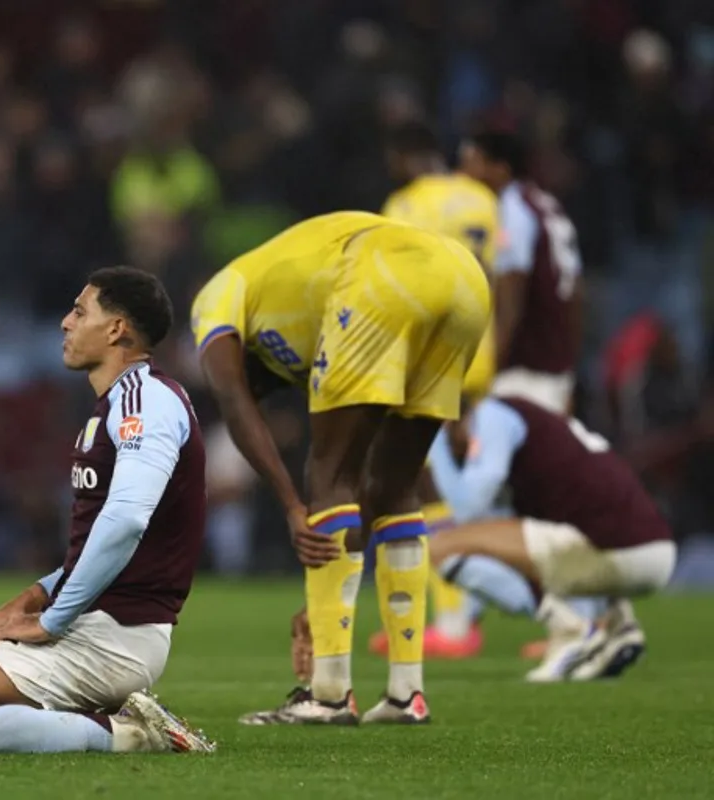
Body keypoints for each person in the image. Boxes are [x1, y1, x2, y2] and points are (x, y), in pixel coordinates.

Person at [0, 267, 214, 754]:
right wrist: (31, 598)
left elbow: (127, 521)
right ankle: (114, 722)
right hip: (97, 623)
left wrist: (52, 619)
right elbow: (105, 541)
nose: (65, 323)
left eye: (80, 311)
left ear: (116, 330)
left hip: (116, 635)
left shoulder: (143, 402)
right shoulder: (117, 405)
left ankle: (131, 734)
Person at [191, 212, 490, 725]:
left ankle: (327, 696)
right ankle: (406, 695)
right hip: (464, 280)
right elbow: (366, 490)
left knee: (325, 475)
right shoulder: (305, 318)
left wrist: (292, 505)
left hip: (382, 270)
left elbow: (234, 401)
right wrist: (331, 601)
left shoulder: (217, 296)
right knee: (396, 486)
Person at [367, 119, 502, 660]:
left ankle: (454, 617)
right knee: (468, 488)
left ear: (402, 158)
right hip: (484, 352)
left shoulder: (402, 205)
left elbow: (399, 288)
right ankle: (457, 611)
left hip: (432, 357)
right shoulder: (479, 198)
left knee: (425, 489)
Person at [427, 395, 674, 681]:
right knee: (507, 536)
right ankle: (617, 625)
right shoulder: (536, 425)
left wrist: (434, 445)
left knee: (443, 546)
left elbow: (466, 509)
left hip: (613, 546)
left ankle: (572, 629)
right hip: (653, 548)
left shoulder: (493, 415)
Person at [459, 129, 584, 415]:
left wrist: (485, 377)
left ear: (500, 168)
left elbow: (510, 304)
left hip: (523, 375)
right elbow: (576, 291)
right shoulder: (545, 204)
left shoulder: (511, 211)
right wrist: (568, 368)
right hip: (554, 367)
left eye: (473, 161)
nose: (464, 172)